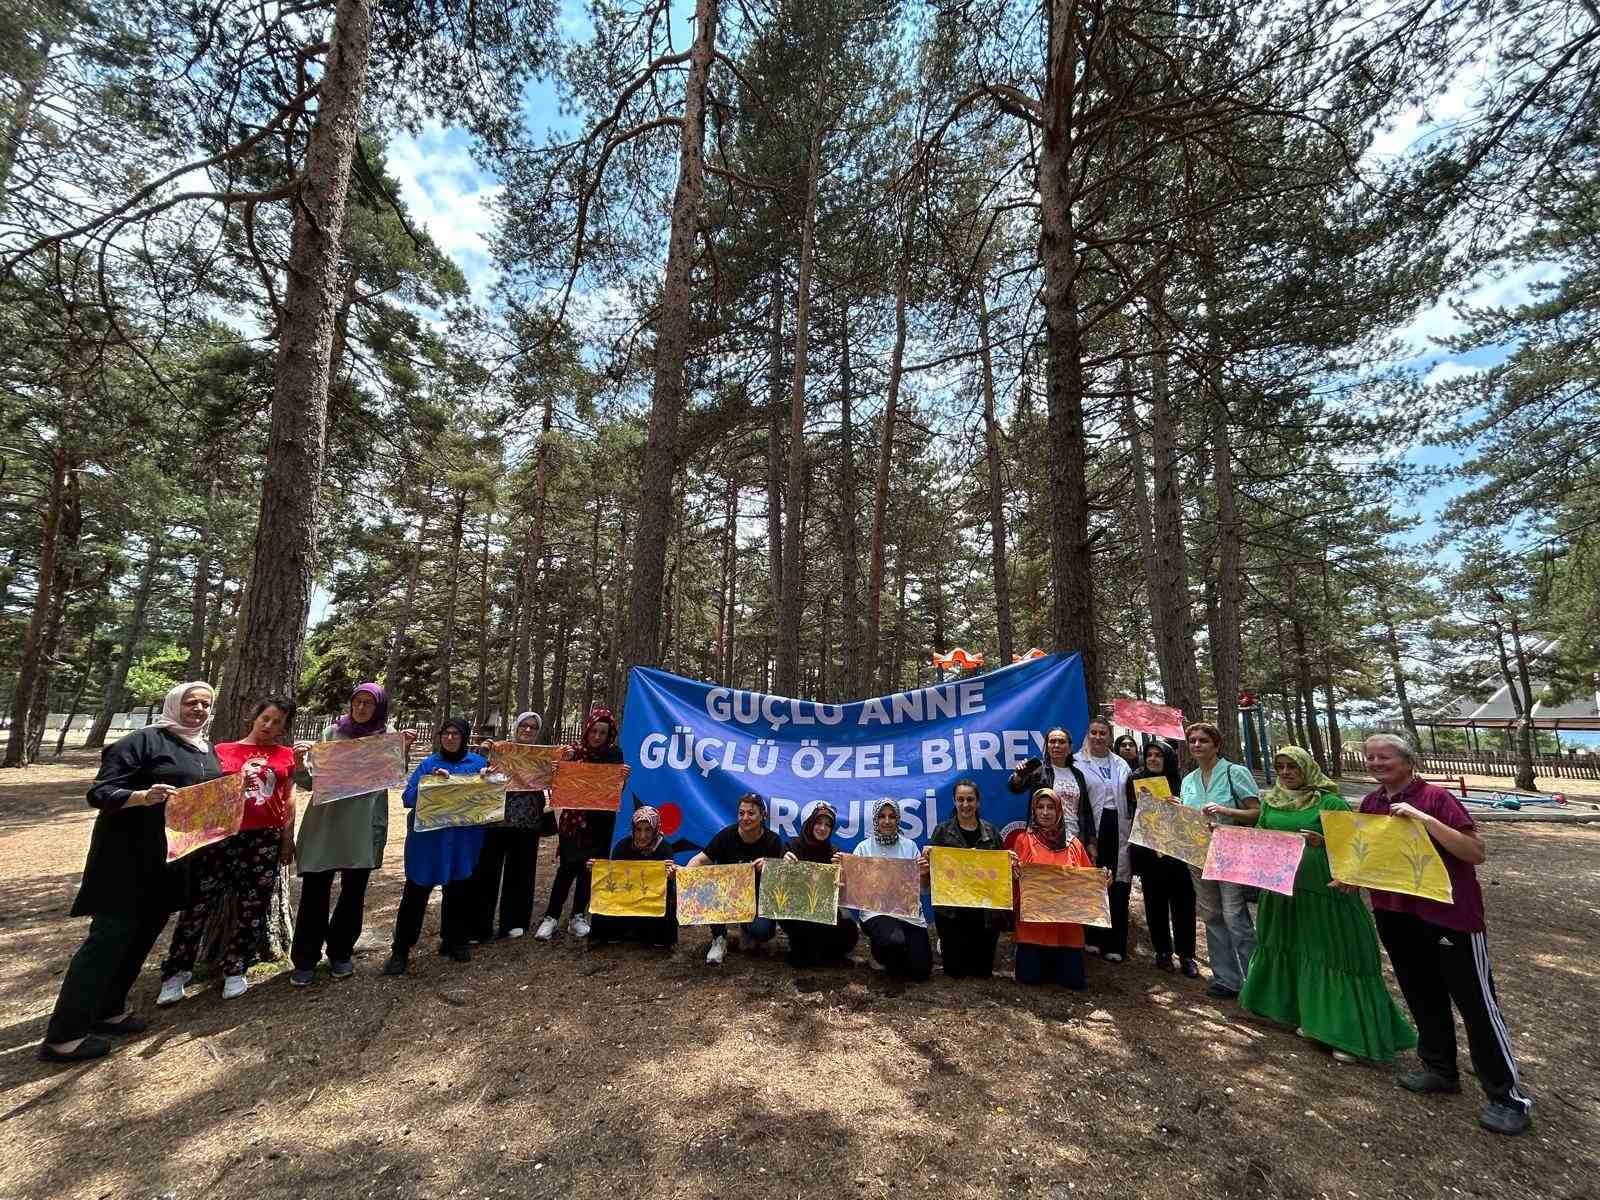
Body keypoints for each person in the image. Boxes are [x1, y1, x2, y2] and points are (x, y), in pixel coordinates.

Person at [1359, 733, 1532, 1136]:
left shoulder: (1436, 799)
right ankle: (1439, 1068)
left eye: (1384, 757)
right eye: (1370, 758)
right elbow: (1372, 855)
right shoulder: (1370, 804)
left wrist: (1424, 821)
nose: (1376, 763)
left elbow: (1475, 852)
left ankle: (1507, 1096)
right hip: (1394, 912)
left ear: (1407, 762)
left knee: (1475, 1002)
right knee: (1421, 992)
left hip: (1448, 916)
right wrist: (1353, 878)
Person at [39, 682, 220, 1062]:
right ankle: (64, 1036)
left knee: (140, 939)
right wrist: (141, 796)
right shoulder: (143, 742)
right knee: (107, 941)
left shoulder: (205, 748)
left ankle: (108, 1009)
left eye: (205, 703)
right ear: (174, 704)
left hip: (170, 863)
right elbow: (101, 792)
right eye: (191, 702)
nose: (199, 709)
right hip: (126, 862)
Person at [1237, 745, 1416, 1065]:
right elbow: (1261, 838)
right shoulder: (1271, 801)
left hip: (1324, 894)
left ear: (1307, 767)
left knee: (1332, 955)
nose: (1286, 773)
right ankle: (1308, 1018)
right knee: (1297, 951)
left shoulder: (1328, 801)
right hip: (1283, 893)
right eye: (1280, 768)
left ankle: (1344, 1031)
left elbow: (1357, 848)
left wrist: (1323, 843)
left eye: (1292, 767)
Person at [158, 697, 298, 1005]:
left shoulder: (286, 755)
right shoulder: (220, 751)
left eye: (278, 722)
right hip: (221, 836)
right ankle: (176, 971)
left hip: (265, 838)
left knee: (254, 905)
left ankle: (236, 967)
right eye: (266, 718)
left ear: (284, 727)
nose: (269, 726)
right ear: (255, 716)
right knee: (198, 903)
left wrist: (288, 839)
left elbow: (288, 798)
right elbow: (205, 793)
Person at [290, 682, 415, 986]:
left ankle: (340, 952)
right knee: (315, 891)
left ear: (379, 708)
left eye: (368, 704)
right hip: (327, 824)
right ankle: (305, 957)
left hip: (363, 825)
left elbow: (395, 775)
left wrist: (403, 750)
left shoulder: (385, 738)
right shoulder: (331, 735)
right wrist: (299, 764)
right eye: (357, 702)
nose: (361, 708)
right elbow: (311, 782)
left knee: (353, 893)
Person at [382, 718, 489, 975]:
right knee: (416, 895)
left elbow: (491, 799)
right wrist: (428, 782)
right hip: (428, 844)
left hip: (462, 842)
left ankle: (454, 940)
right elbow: (407, 798)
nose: (450, 738)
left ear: (464, 737)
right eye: (446, 733)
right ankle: (401, 950)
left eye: (456, 734)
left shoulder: (477, 764)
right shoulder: (429, 764)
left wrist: (489, 780)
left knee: (459, 891)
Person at [1179, 720, 1260, 999]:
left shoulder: (1234, 773)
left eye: (1203, 740)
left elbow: (1256, 813)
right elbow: (1188, 819)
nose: (1197, 745)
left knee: (1235, 917)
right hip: (1198, 855)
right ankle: (1226, 978)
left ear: (1216, 744)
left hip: (1231, 853)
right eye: (1193, 741)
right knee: (1212, 915)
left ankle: (1257, 980)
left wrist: (1225, 811)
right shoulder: (1188, 781)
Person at [535, 707, 622, 941]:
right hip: (574, 821)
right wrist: (559, 766)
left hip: (601, 823)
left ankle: (577, 916)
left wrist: (622, 778)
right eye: (594, 731)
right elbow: (557, 781)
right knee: (567, 867)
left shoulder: (615, 755)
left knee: (589, 869)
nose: (597, 737)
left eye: (602, 733)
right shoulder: (573, 752)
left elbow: (615, 790)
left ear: (609, 735)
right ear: (588, 730)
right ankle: (551, 917)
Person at [1011, 787, 1098, 990]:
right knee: (1028, 981)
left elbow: (1088, 883)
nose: (1045, 812)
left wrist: (1103, 881)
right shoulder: (1024, 841)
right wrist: (1014, 875)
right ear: (1034, 811)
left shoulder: (1074, 844)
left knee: (1073, 984)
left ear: (1059, 811)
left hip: (1067, 932)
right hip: (1033, 931)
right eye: (1040, 807)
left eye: (1050, 807)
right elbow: (1013, 883)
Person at [685, 791, 784, 964]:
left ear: (763, 816)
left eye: (751, 813)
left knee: (763, 931)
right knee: (707, 886)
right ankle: (719, 938)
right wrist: (683, 876)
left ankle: (747, 927)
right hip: (726, 896)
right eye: (741, 813)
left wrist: (769, 867)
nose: (745, 818)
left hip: (757, 900)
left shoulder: (773, 841)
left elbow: (780, 880)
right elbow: (701, 859)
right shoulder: (726, 836)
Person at [472, 711, 546, 941]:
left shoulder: (541, 756)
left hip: (527, 822)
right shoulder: (500, 750)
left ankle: (513, 922)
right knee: (486, 873)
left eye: (533, 727)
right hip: (496, 819)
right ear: (516, 727)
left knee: (521, 873)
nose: (528, 730)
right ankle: (480, 925)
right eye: (524, 725)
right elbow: (478, 771)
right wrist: (483, 752)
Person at [1130, 741, 1199, 976]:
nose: (1153, 759)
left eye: (1158, 755)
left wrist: (1179, 806)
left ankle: (1187, 955)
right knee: (1154, 904)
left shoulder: (1183, 783)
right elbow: (1130, 812)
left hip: (1179, 854)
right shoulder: (1136, 780)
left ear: (1167, 758)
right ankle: (1162, 952)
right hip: (1150, 854)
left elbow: (1194, 816)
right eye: (1149, 755)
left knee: (1184, 905)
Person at [926, 778, 1005, 979]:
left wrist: (1008, 862)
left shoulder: (992, 833)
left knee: (982, 973)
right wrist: (927, 859)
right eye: (960, 799)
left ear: (978, 802)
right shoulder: (942, 832)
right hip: (952, 911)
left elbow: (1000, 875)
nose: (965, 805)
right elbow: (932, 874)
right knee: (955, 973)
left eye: (970, 799)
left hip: (983, 910)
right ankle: (945, 944)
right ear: (954, 801)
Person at [851, 800, 932, 981]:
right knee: (894, 944)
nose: (887, 821)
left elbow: (924, 888)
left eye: (892, 816)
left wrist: (924, 873)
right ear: (875, 820)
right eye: (882, 816)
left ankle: (901, 956)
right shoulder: (864, 848)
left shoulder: (910, 846)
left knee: (922, 972)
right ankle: (880, 954)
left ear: (898, 819)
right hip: (876, 913)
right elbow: (853, 887)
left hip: (908, 914)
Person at [1077, 715, 1135, 962]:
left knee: (1118, 885)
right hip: (1093, 828)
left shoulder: (1122, 764)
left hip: (1119, 827)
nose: (1098, 737)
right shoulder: (1077, 762)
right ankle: (1091, 937)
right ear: (1088, 735)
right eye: (1094, 733)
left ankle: (1116, 943)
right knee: (1092, 882)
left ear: (1110, 737)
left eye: (1103, 733)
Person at [780, 801, 859, 968]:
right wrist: (783, 863)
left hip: (823, 912)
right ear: (810, 823)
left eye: (827, 825)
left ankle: (820, 951)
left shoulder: (833, 852)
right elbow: (778, 883)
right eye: (818, 822)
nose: (822, 828)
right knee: (802, 961)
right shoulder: (792, 846)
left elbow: (842, 891)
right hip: (795, 912)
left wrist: (841, 875)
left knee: (849, 932)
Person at [587, 806, 678, 948]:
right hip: (626, 898)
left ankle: (655, 934)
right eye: (638, 830)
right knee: (605, 894)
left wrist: (671, 873)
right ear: (633, 829)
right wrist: (597, 868)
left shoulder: (664, 848)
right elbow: (613, 876)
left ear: (655, 829)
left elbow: (668, 885)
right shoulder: (623, 846)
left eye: (648, 830)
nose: (642, 835)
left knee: (667, 903)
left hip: (651, 900)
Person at [1008, 726, 1094, 847]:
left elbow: (1086, 811)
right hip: (1044, 839)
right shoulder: (1039, 770)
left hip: (1074, 839)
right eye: (1052, 741)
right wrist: (1018, 775)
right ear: (1047, 747)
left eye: (1062, 742)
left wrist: (1091, 843)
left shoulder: (1078, 775)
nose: (1057, 745)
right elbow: (1015, 788)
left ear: (1070, 748)